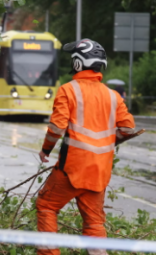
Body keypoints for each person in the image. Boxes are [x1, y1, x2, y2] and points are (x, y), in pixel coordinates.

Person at [37, 39, 135, 255]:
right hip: (98, 173)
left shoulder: (67, 90)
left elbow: (56, 128)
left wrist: (45, 150)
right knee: (93, 222)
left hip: (71, 170)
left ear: (78, 63)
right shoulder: (113, 96)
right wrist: (106, 140)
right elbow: (128, 128)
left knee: (46, 206)